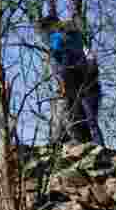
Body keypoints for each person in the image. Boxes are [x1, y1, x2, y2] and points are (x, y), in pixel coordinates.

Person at [37, 16, 103, 145]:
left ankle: (94, 145)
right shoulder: (70, 40)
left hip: (82, 83)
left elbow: (59, 54)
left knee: (86, 118)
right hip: (76, 82)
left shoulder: (61, 39)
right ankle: (83, 143)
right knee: (78, 116)